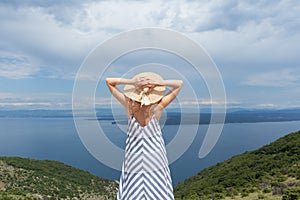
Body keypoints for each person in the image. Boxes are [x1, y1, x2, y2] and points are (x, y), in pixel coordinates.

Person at [106, 72, 183, 200]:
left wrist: (132, 82)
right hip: (155, 155)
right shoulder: (157, 108)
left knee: (132, 188)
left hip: (134, 156)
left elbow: (109, 81)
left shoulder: (129, 106)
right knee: (158, 186)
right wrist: (158, 83)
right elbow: (179, 84)